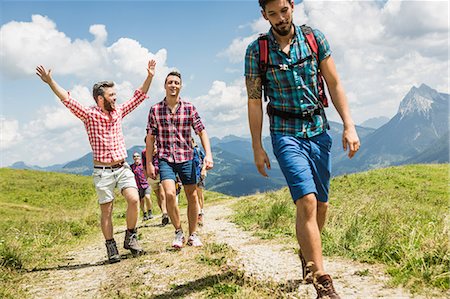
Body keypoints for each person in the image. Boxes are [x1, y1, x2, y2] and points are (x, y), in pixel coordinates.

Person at [244, 1, 360, 298]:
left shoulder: (314, 38)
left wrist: (349, 124)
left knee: (321, 205)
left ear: (292, 6)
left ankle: (306, 254)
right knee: (306, 201)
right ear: (263, 15)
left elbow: (334, 83)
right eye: (272, 14)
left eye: (284, 10)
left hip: (318, 131)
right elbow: (255, 101)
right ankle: (322, 280)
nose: (280, 18)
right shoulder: (256, 51)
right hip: (284, 133)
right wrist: (257, 146)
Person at [36, 59, 156, 263]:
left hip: (122, 166)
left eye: (115, 94)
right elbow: (67, 100)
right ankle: (111, 247)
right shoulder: (89, 115)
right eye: (111, 95)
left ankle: (131, 237)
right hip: (102, 171)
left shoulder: (118, 112)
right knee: (106, 210)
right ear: (100, 98)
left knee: (135, 199)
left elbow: (138, 97)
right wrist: (50, 81)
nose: (115, 98)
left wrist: (150, 76)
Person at [146, 71, 213, 249]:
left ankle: (192, 234)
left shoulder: (189, 108)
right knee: (169, 194)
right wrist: (148, 163)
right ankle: (178, 232)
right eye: (170, 82)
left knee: (192, 196)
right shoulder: (155, 109)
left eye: (176, 82)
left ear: (181, 86)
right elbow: (150, 138)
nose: (173, 85)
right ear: (165, 86)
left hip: (186, 157)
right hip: (165, 158)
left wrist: (208, 154)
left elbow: (201, 131)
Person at [142, 138, 169, 226]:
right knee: (158, 195)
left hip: (161, 174)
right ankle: (164, 215)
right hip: (151, 177)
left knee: (162, 193)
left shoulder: (160, 150)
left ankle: (165, 212)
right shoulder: (144, 152)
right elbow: (144, 165)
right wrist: (147, 177)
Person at [130, 152, 153, 221]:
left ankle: (150, 212)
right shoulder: (132, 167)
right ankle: (144, 214)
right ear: (133, 158)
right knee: (142, 200)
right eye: (134, 156)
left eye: (137, 156)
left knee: (147, 197)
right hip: (138, 186)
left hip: (146, 184)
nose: (136, 157)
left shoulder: (143, 165)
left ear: (140, 157)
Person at [192, 138, 207, 226]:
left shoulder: (197, 150)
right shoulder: (187, 152)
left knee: (199, 194)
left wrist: (204, 170)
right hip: (193, 175)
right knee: (196, 194)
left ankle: (201, 210)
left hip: (199, 174)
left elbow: (204, 160)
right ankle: (199, 212)